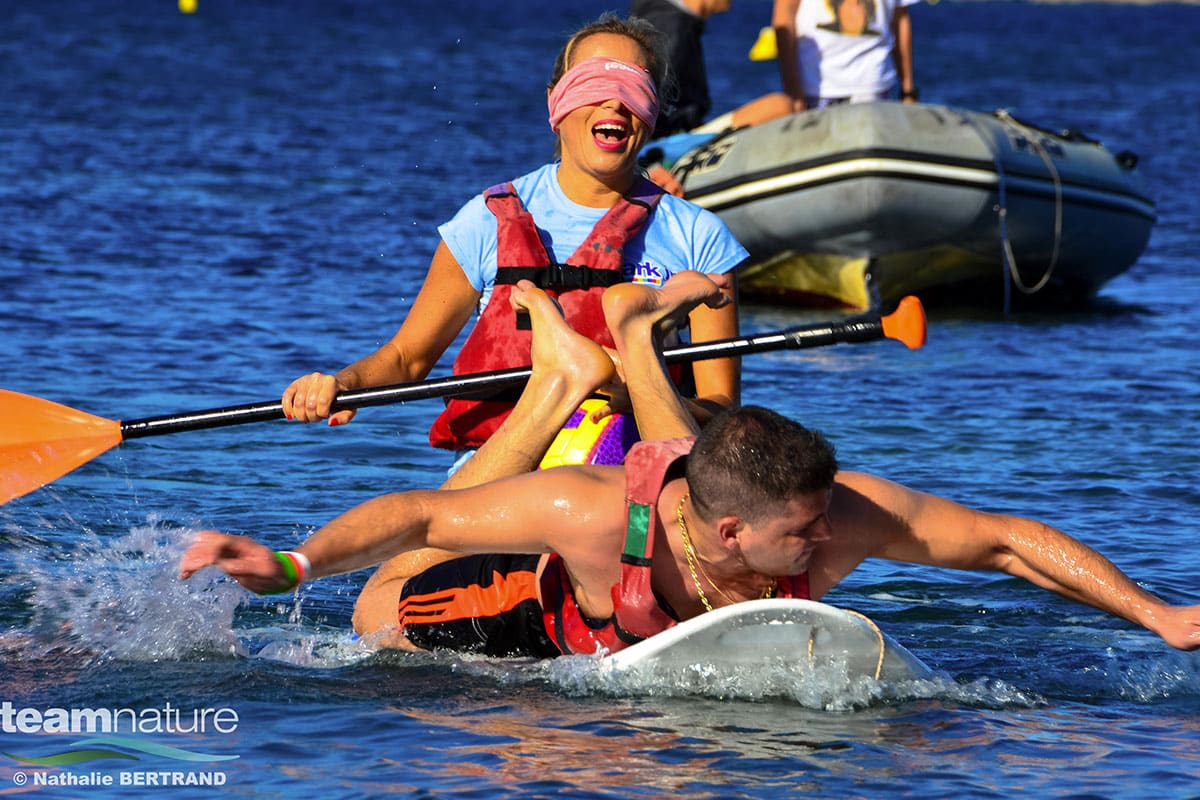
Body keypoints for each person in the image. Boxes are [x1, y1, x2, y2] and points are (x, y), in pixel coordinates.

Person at [181, 273, 1200, 658]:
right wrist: (292, 568)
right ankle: (556, 382)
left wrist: (1158, 614)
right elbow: (412, 513)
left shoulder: (836, 515)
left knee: (672, 425)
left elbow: (1008, 539)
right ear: (729, 533)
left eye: (821, 520)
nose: (824, 539)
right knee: (387, 613)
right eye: (799, 531)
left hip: (682, 480)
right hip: (533, 616)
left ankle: (624, 339)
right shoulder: (588, 515)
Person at [282, 14, 747, 486]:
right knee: (405, 559)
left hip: (628, 479)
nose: (615, 100)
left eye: (634, 87)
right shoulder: (485, 220)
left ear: (652, 112)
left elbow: (721, 409)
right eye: (594, 81)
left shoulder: (699, 238)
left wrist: (641, 395)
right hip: (498, 476)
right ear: (555, 102)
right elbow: (407, 358)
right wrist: (345, 384)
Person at [772, 0, 919, 111]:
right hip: (815, 88)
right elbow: (784, 18)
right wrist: (792, 89)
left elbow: (899, 19)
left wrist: (908, 90)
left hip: (874, 85)